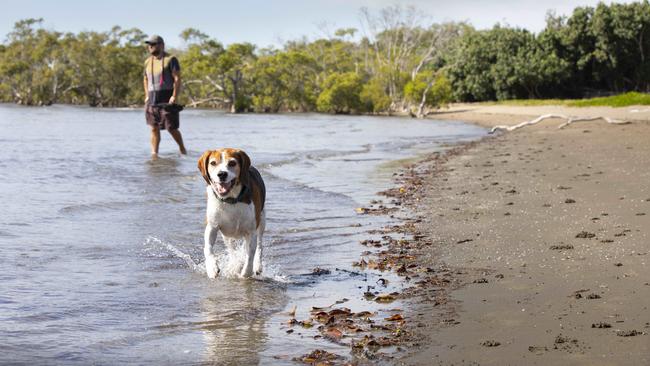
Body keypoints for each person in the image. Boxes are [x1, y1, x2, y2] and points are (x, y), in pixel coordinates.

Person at [143, 34, 187, 157]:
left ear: (161, 45)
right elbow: (145, 79)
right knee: (153, 128)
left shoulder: (171, 59)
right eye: (149, 45)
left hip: (167, 101)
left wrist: (174, 96)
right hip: (152, 101)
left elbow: (177, 78)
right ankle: (154, 154)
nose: (150, 47)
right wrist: (146, 95)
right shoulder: (147, 62)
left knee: (171, 128)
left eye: (153, 44)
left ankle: (183, 150)